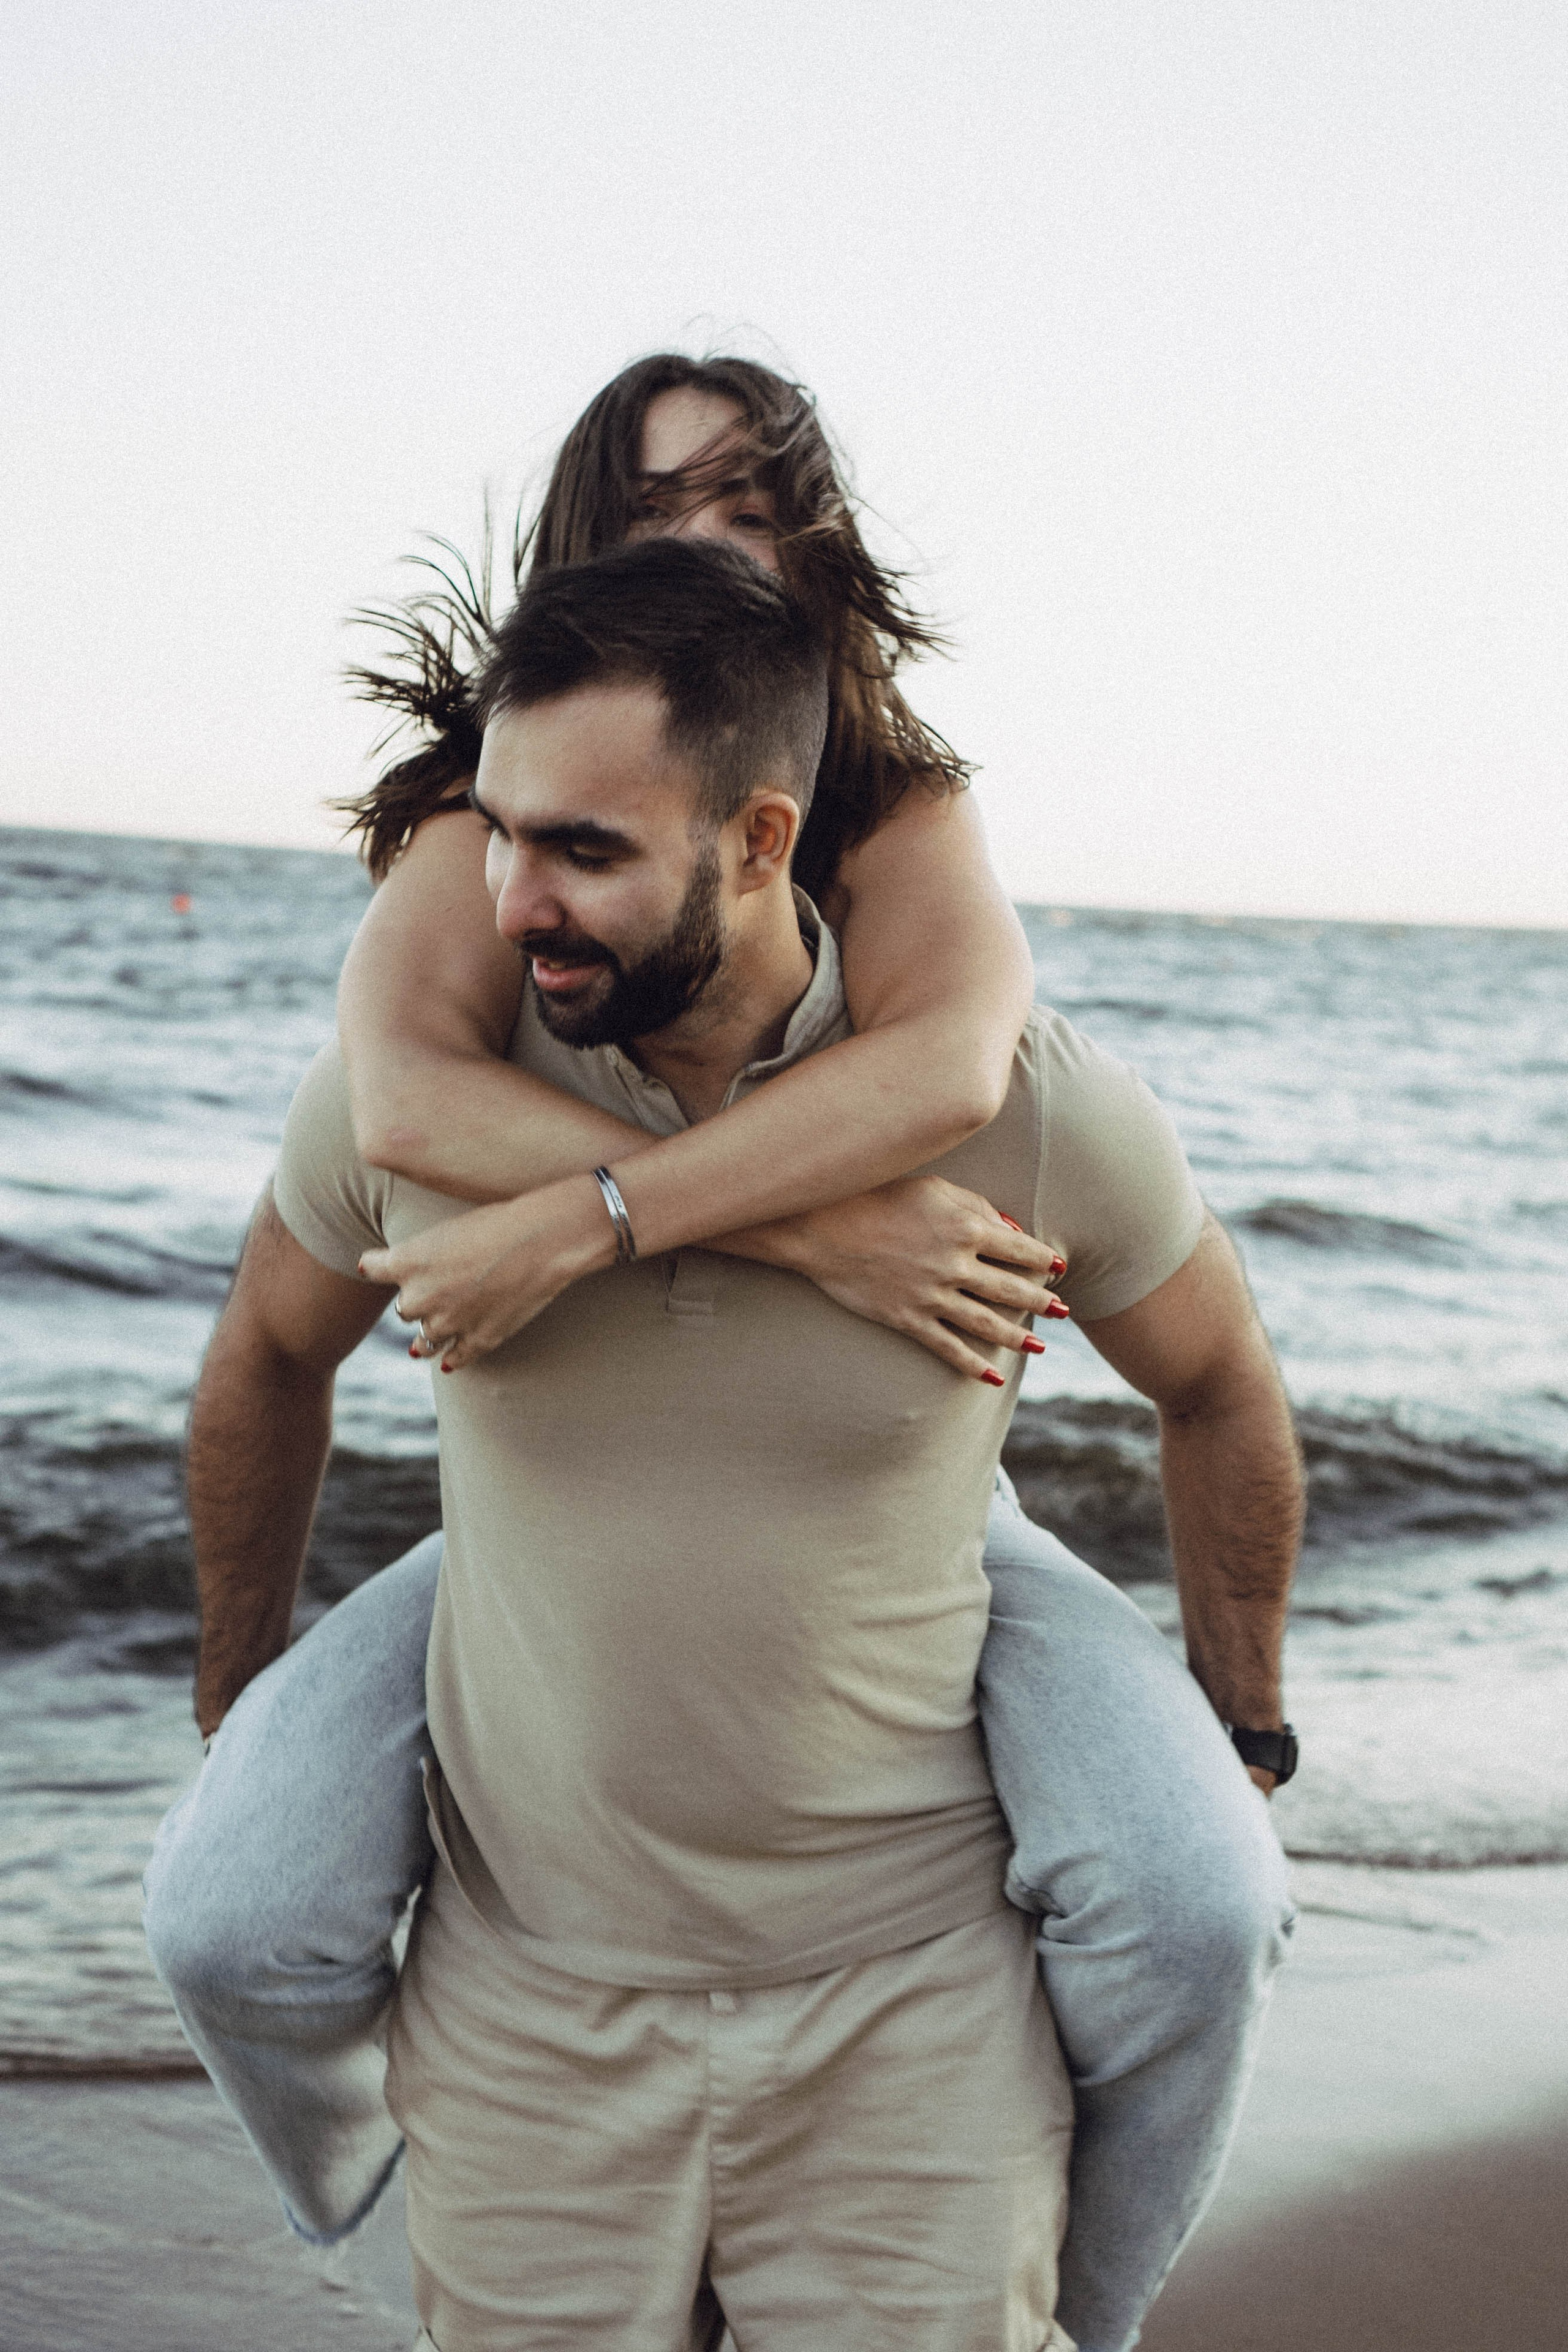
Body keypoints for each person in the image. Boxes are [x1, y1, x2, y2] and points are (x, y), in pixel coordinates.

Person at [146, 359, 1300, 2352]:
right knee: (229, 1904)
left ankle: (1083, 2307)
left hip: (901, 1967)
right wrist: (240, 1689)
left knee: (1203, 1899)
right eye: (665, 509)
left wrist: (1245, 1716)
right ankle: (373, 2188)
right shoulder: (471, 901)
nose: (523, 895)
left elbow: (999, 1123)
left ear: (766, 831)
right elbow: (345, 1197)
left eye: (752, 507)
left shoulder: (904, 831)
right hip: (537, 2009)